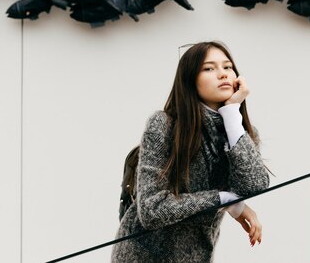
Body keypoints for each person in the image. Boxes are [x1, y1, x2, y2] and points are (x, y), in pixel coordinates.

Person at [112, 41, 270, 262]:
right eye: (209, 68)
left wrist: (232, 113)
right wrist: (224, 199)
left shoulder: (240, 132)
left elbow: (254, 185)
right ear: (190, 79)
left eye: (227, 67)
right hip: (143, 256)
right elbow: (151, 210)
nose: (222, 74)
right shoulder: (163, 125)